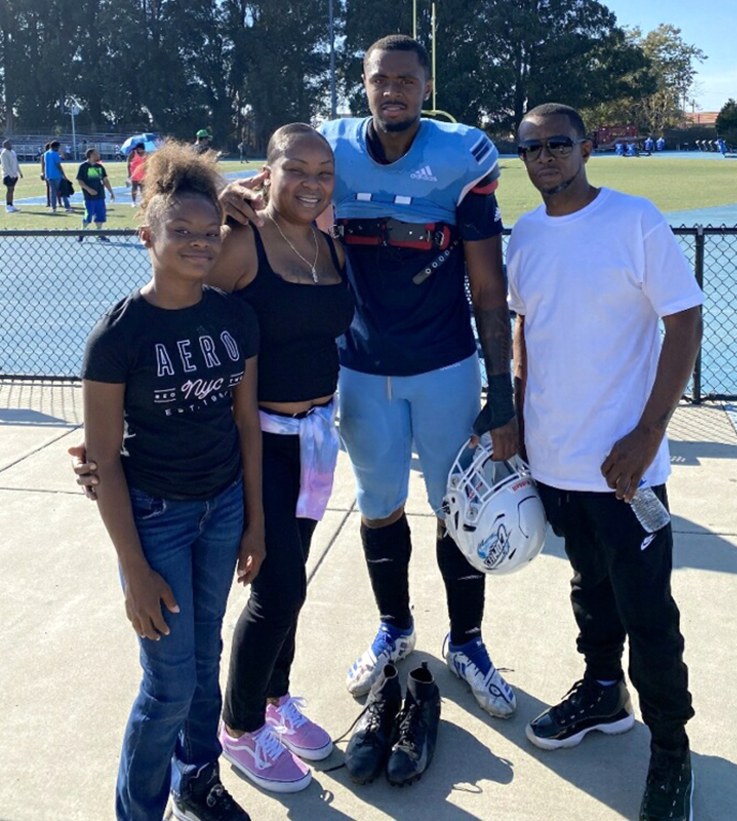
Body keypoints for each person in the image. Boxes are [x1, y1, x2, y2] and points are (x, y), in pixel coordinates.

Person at [223, 34, 519, 718]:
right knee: (379, 503)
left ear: (426, 86)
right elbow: (269, 192)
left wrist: (499, 390)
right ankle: (395, 626)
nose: (393, 91)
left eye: (406, 81)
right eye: (380, 79)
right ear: (364, 84)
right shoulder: (329, 147)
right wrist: (232, 192)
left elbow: (486, 282)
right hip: (358, 368)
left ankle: (469, 641)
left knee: (458, 510)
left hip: (444, 363)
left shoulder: (459, 153)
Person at [71, 124, 354, 795]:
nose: (312, 183)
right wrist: (129, 550)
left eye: (325, 172)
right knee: (237, 621)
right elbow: (182, 289)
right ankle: (234, 731)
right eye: (296, 170)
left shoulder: (313, 252)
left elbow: (236, 389)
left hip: (298, 448)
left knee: (261, 609)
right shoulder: (222, 253)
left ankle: (246, 728)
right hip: (209, 475)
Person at [506, 102, 702, 821]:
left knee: (649, 615)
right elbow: (529, 330)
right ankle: (602, 692)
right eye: (532, 148)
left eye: (559, 144)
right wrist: (522, 424)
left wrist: (650, 432)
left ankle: (672, 751)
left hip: (627, 470)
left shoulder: (635, 219)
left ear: (585, 148)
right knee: (590, 588)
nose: (546, 157)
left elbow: (683, 318)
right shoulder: (525, 234)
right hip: (558, 463)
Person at [81, 141, 261, 820]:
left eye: (207, 231)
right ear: (146, 235)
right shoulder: (118, 337)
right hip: (156, 517)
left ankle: (200, 779)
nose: (196, 242)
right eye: (179, 231)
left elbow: (246, 424)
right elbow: (102, 463)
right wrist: (134, 569)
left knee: (204, 657)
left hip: (222, 509)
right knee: (168, 684)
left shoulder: (234, 317)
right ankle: (139, 809)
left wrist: (255, 521)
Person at [75, 148, 116, 241]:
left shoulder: (100, 167)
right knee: (88, 215)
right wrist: (89, 190)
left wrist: (111, 192)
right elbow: (80, 181)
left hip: (100, 195)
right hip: (89, 197)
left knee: (100, 215)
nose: (98, 155)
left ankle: (99, 233)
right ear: (90, 155)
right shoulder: (83, 166)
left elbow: (105, 180)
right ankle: (82, 232)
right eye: (96, 154)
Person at [44, 140, 72, 213]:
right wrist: (63, 175)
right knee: (62, 191)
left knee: (52, 192)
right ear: (56, 147)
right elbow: (58, 165)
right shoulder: (55, 154)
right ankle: (67, 207)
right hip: (57, 175)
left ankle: (53, 208)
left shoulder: (46, 154)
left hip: (49, 175)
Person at [1, 139, 23, 212]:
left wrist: (19, 172)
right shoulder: (4, 153)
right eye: (9, 144)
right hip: (8, 175)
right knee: (9, 189)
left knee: (12, 190)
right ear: (5, 146)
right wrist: (11, 175)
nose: (11, 145)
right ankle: (8, 206)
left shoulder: (13, 152)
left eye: (10, 144)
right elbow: (5, 166)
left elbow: (16, 163)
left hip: (14, 175)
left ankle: (11, 205)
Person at [128, 142, 148, 207]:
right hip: (135, 173)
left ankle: (143, 201)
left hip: (143, 173)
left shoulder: (145, 154)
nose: (139, 150)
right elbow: (128, 163)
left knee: (143, 188)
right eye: (138, 149)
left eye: (141, 149)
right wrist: (129, 173)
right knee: (134, 188)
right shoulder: (133, 153)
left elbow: (147, 163)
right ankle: (133, 202)